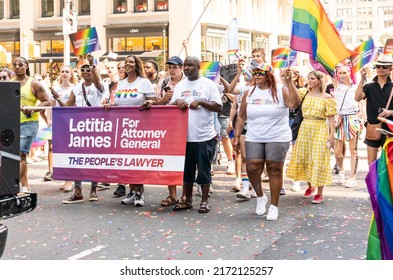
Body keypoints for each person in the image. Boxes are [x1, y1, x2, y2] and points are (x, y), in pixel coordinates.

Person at [233, 64, 300, 220]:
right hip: (254, 136)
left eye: (261, 73)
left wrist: (290, 83)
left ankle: (274, 206)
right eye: (255, 73)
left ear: (269, 75)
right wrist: (236, 136)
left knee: (274, 168)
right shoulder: (249, 92)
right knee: (252, 167)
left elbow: (294, 104)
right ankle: (261, 196)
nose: (257, 76)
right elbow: (241, 116)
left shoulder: (280, 89)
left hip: (277, 136)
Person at [170, 56, 222, 214]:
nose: (186, 68)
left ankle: (204, 201)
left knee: (204, 171)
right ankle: (187, 199)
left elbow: (218, 106)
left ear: (198, 67)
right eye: (185, 65)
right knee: (187, 171)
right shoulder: (180, 85)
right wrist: (177, 102)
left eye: (190, 65)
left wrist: (201, 102)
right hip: (184, 137)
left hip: (204, 137)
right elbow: (172, 103)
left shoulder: (208, 84)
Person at [105, 55, 156, 207]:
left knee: (137, 161)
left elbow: (154, 101)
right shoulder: (120, 83)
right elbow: (118, 103)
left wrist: (149, 102)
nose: (127, 64)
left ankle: (140, 193)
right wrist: (109, 105)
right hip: (122, 128)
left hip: (140, 128)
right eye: (126, 62)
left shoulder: (144, 82)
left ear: (137, 65)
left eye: (131, 62)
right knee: (127, 162)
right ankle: (132, 192)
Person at [56, 55, 106, 203]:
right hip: (79, 128)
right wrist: (57, 98)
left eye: (88, 69)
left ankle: (93, 190)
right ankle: (78, 192)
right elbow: (67, 107)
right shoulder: (77, 88)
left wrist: (92, 63)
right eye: (83, 69)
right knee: (77, 160)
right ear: (80, 73)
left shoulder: (98, 86)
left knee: (94, 159)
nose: (86, 72)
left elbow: (97, 81)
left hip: (95, 127)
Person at [287, 70, 337, 204]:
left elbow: (331, 117)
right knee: (305, 157)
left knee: (319, 159)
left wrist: (332, 135)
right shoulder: (304, 93)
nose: (310, 81)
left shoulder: (327, 97)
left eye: (313, 79)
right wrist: (289, 80)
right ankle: (310, 186)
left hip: (319, 127)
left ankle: (320, 193)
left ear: (319, 81)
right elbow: (293, 98)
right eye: (309, 78)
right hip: (305, 128)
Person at [13, 57, 51, 193]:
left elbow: (47, 102)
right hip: (12, 124)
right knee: (16, 156)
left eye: (20, 64)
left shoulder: (34, 84)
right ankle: (25, 187)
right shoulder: (10, 84)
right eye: (15, 64)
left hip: (29, 123)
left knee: (21, 155)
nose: (17, 67)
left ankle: (13, 186)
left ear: (26, 66)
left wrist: (32, 108)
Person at [153, 56, 186, 206]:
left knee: (187, 161)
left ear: (181, 68)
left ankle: (186, 194)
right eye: (169, 67)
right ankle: (172, 195)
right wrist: (164, 99)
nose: (171, 70)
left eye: (175, 67)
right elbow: (155, 103)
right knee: (170, 159)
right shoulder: (164, 82)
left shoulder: (187, 82)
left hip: (185, 124)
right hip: (168, 125)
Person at [355, 54, 393, 164]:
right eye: (378, 66)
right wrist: (362, 79)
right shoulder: (369, 86)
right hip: (373, 128)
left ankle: (386, 182)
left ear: (391, 68)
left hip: (389, 130)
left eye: (384, 66)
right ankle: (374, 182)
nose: (381, 68)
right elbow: (357, 97)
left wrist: (390, 112)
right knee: (371, 163)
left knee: (389, 164)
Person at [46, 65, 76, 192]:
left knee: (70, 150)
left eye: (67, 72)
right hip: (58, 122)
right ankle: (65, 178)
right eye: (63, 71)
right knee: (59, 150)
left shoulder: (75, 88)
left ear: (71, 74)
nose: (64, 74)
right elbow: (51, 106)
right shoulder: (55, 89)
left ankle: (70, 180)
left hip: (71, 121)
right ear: (60, 74)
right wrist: (48, 119)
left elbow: (77, 105)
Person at [333, 65, 362, 188]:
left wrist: (363, 119)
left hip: (352, 118)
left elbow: (361, 103)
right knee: (338, 150)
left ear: (350, 73)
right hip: (339, 118)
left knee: (353, 149)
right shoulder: (336, 85)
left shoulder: (355, 87)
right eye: (340, 73)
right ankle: (341, 169)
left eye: (345, 72)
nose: (343, 75)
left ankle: (353, 177)